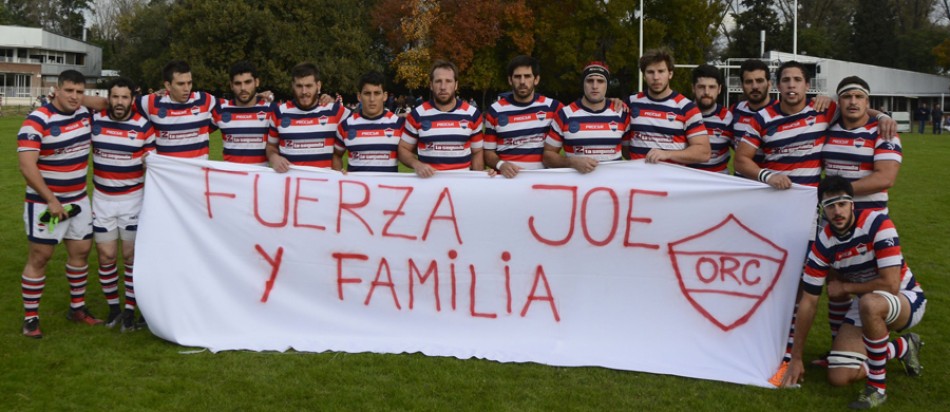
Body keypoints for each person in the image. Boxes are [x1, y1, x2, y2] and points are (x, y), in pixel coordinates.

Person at [781, 176, 925, 409]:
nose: (837, 211)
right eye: (830, 206)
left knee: (868, 302)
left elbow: (891, 284)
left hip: (907, 298)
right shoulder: (823, 244)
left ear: (852, 204)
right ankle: (903, 347)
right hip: (867, 303)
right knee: (839, 376)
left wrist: (847, 287)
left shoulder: (878, 223)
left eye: (842, 203)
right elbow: (808, 302)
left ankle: (877, 388)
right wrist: (796, 358)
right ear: (822, 210)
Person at [18, 70, 102, 338]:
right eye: (69, 91)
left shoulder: (85, 114)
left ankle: (77, 308)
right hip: (47, 207)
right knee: (40, 257)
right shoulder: (36, 121)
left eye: (79, 92)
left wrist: (81, 99)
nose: (75, 97)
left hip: (77, 203)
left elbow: (107, 103)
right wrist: (52, 201)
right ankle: (31, 318)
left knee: (80, 253)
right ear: (56, 89)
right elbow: (27, 166)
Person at [90, 77, 156, 332]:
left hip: (132, 201)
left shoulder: (143, 127)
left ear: (132, 99)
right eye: (115, 97)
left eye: (124, 97)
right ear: (109, 98)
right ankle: (114, 308)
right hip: (103, 201)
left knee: (130, 257)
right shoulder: (94, 121)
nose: (119, 102)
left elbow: (152, 164)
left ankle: (130, 309)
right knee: (106, 257)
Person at [822, 76, 901, 214]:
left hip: (870, 218)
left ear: (867, 102)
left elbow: (885, 178)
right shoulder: (827, 128)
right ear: (839, 102)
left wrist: (839, 192)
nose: (853, 102)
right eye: (847, 96)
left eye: (859, 96)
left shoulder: (883, 131)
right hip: (832, 218)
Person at [398, 60, 485, 177]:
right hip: (428, 185)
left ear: (456, 85)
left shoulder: (472, 114)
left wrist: (477, 179)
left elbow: (477, 151)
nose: (443, 87)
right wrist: (417, 164)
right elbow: (403, 149)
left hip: (462, 185)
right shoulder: (417, 115)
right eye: (438, 81)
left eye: (448, 81)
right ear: (431, 85)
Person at [625, 48, 710, 167]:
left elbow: (704, 153)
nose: (656, 77)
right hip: (639, 181)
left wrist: (668, 154)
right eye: (650, 72)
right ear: (644, 75)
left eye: (661, 71)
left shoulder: (686, 107)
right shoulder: (631, 103)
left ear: (670, 74)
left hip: (672, 182)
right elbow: (624, 146)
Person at [483, 55, 563, 178]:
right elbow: (488, 152)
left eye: (527, 76)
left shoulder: (553, 107)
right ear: (510, 80)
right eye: (517, 77)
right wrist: (500, 164)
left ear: (536, 79)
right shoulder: (496, 110)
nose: (522, 82)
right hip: (508, 181)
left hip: (542, 181)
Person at [543, 61, 630, 173]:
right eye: (590, 81)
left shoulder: (621, 113)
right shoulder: (565, 114)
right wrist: (571, 162)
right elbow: (547, 156)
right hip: (578, 188)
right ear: (583, 83)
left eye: (600, 81)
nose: (594, 86)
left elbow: (630, 154)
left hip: (612, 187)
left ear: (607, 85)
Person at [267, 62, 350, 172]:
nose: (304, 92)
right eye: (299, 86)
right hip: (291, 185)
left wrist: (349, 171)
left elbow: (364, 126)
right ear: (293, 85)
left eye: (308, 86)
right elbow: (271, 146)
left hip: (324, 186)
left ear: (318, 86)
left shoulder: (334, 111)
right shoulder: (279, 112)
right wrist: (274, 158)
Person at [136, 60, 217, 158]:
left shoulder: (204, 100)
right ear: (168, 86)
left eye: (189, 83)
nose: (187, 88)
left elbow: (230, 111)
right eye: (181, 84)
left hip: (197, 172)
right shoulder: (152, 102)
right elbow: (120, 105)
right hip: (166, 172)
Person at [332, 71, 404, 172]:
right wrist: (339, 174)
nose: (372, 99)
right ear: (359, 96)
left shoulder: (398, 124)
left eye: (377, 93)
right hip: (357, 187)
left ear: (385, 96)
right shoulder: (346, 125)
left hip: (387, 187)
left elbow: (412, 153)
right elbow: (336, 155)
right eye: (367, 93)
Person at [213, 61, 277, 165]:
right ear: (231, 85)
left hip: (259, 179)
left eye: (248, 82)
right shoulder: (221, 110)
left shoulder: (272, 110)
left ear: (256, 82)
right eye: (238, 83)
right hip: (230, 178)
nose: (243, 88)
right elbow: (197, 131)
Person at [688, 64, 733, 173]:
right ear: (693, 88)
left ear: (719, 89)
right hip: (688, 184)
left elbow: (742, 153)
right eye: (701, 87)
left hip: (719, 184)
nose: (707, 92)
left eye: (712, 87)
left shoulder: (728, 118)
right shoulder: (682, 114)